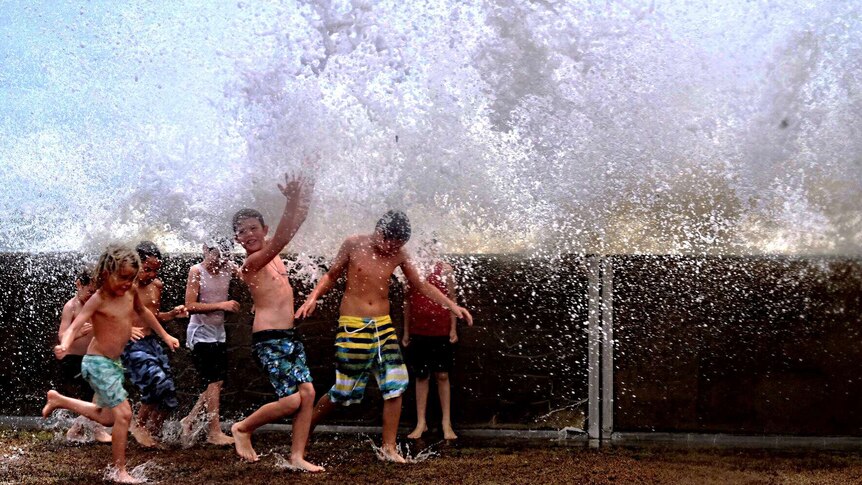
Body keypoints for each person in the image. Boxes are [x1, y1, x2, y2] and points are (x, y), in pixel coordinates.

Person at [295, 211, 473, 462]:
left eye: (398, 245)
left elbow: (421, 285)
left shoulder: (399, 254)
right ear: (379, 231)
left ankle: (388, 448)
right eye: (389, 242)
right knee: (343, 390)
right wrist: (312, 298)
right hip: (353, 325)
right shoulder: (353, 243)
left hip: (384, 326)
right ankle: (305, 430)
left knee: (396, 383)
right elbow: (331, 275)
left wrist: (452, 306)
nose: (391, 248)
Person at [44, 245, 180, 484]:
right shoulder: (98, 299)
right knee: (124, 415)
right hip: (96, 363)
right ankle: (120, 471)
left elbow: (145, 312)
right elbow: (75, 326)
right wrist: (65, 345)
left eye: (131, 278)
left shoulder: (130, 292)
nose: (128, 283)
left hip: (112, 363)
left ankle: (58, 400)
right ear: (107, 273)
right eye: (123, 277)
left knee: (107, 418)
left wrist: (165, 335)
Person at [229, 172, 323, 472]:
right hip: (269, 338)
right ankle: (243, 428)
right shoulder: (251, 263)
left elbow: (297, 222)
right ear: (236, 238)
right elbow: (284, 236)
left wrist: (305, 188)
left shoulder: (273, 256)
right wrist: (291, 200)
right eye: (242, 232)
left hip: (288, 336)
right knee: (295, 399)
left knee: (308, 394)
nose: (248, 235)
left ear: (263, 229)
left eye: (253, 228)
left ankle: (297, 456)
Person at [121, 241, 186, 447]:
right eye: (147, 269)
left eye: (155, 270)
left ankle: (152, 432)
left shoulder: (157, 286)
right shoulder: (123, 287)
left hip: (151, 342)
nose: (151, 275)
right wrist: (126, 329)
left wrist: (173, 315)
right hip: (131, 343)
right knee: (155, 381)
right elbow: (107, 316)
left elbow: (154, 316)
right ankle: (138, 426)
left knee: (169, 393)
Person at [179, 237, 239, 447]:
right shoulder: (197, 271)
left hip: (218, 332)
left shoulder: (228, 267)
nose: (218, 262)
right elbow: (190, 305)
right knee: (213, 381)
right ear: (205, 249)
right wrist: (223, 305)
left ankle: (189, 420)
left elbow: (252, 276)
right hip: (201, 332)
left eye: (223, 258)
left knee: (218, 382)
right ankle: (214, 432)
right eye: (215, 256)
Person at [402, 239, 462, 440]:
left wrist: (453, 328)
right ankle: (421, 423)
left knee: (443, 375)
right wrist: (406, 332)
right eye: (424, 246)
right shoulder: (413, 271)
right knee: (421, 376)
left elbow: (452, 300)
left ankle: (447, 422)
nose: (428, 250)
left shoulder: (445, 270)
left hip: (441, 330)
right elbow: (407, 302)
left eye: (432, 246)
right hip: (419, 331)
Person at [55, 267, 113, 443]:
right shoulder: (71, 307)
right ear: (79, 284)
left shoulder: (95, 305)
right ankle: (97, 430)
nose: (92, 295)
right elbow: (62, 336)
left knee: (96, 393)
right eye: (89, 291)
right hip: (73, 360)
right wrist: (78, 333)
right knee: (96, 391)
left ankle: (76, 430)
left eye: (95, 292)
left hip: (91, 358)